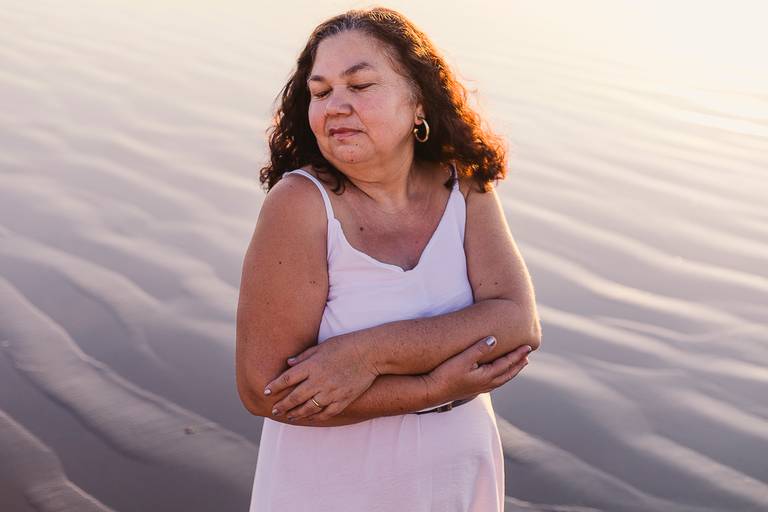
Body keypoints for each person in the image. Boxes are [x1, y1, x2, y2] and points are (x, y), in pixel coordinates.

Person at [235, 7, 541, 511]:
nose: (335, 106)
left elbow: (516, 321)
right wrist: (431, 387)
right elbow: (263, 390)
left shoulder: (463, 187)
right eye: (321, 91)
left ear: (417, 100)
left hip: (457, 480)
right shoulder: (300, 205)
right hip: (333, 489)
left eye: (360, 86)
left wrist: (365, 355)